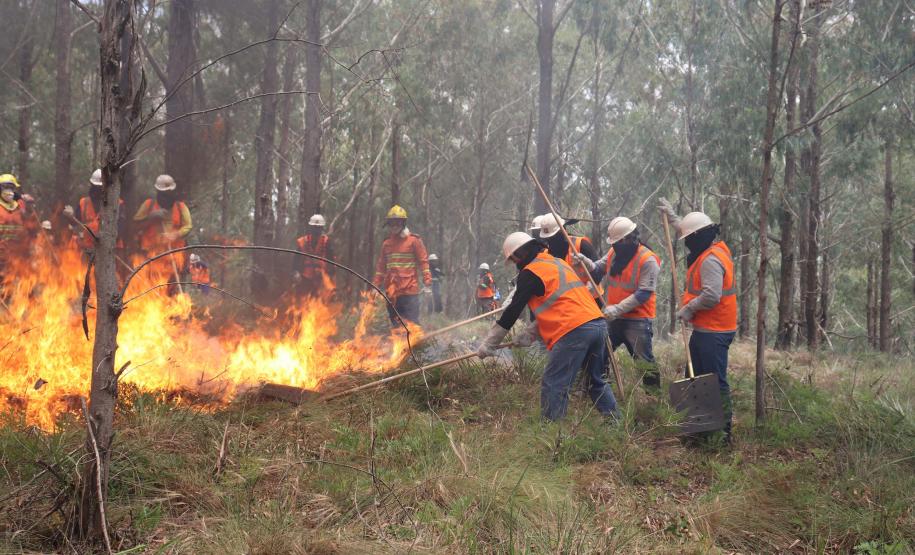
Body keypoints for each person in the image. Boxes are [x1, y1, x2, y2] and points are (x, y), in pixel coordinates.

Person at [478, 232, 617, 421]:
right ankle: (615, 422)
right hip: (598, 324)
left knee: (555, 383)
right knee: (596, 381)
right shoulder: (558, 263)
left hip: (574, 330)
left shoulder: (531, 273)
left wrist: (489, 344)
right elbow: (557, 305)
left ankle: (552, 433)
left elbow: (512, 311)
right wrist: (530, 334)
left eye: (513, 260)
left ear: (518, 256)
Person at [659, 198, 737, 442]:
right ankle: (700, 428)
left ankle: (722, 432)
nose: (687, 243)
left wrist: (689, 308)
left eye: (689, 239)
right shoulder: (711, 247)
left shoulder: (711, 260)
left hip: (715, 330)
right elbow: (690, 227)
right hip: (707, 329)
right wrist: (672, 216)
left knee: (714, 381)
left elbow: (712, 296)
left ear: (700, 237)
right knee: (696, 376)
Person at [575, 217, 662, 389]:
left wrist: (618, 309)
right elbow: (599, 268)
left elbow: (644, 293)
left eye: (618, 241)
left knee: (644, 362)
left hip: (637, 320)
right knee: (599, 353)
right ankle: (600, 389)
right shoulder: (614, 252)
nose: (615, 245)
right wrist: (586, 262)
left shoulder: (648, 260)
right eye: (613, 242)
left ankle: (654, 400)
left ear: (630, 237)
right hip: (613, 317)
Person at [373, 205, 432, 327]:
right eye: (392, 222)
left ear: (403, 223)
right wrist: (376, 286)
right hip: (392, 293)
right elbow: (381, 268)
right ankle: (400, 346)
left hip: (409, 291)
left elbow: (423, 262)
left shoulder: (413, 241)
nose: (394, 225)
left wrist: (427, 283)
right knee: (396, 325)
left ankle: (416, 345)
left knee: (412, 325)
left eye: (397, 222)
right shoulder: (386, 244)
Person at [133, 174, 192, 294]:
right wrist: (151, 217)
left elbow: (188, 226)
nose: (164, 197)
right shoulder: (148, 205)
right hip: (151, 258)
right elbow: (135, 225)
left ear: (172, 192)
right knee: (150, 291)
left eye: (167, 193)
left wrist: (175, 234)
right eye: (161, 193)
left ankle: (173, 311)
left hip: (173, 259)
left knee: (172, 293)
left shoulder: (181, 207)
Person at [63, 169, 127, 256]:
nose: (99, 191)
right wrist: (70, 216)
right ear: (92, 186)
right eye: (96, 187)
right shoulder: (83, 203)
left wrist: (104, 239)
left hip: (111, 253)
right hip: (88, 250)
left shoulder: (118, 204)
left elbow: (121, 228)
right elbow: (76, 224)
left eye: (101, 188)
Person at [538, 214, 599, 287]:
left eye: (553, 236)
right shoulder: (547, 255)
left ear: (563, 230)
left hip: (592, 296)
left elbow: (598, 272)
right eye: (548, 238)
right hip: (568, 297)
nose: (550, 241)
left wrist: (589, 288)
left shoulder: (581, 245)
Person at [0, 173, 36, 269]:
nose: (8, 190)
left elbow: (30, 224)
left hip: (17, 255)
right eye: (5, 187)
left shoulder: (20, 206)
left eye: (11, 187)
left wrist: (29, 205)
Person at [294, 214, 333, 298]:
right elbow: (296, 259)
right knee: (303, 300)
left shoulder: (326, 242)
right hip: (305, 277)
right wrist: (296, 272)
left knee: (320, 301)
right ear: (311, 228)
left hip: (320, 278)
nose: (316, 231)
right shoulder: (303, 241)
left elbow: (331, 259)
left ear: (322, 228)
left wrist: (330, 275)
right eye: (315, 228)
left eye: (319, 228)